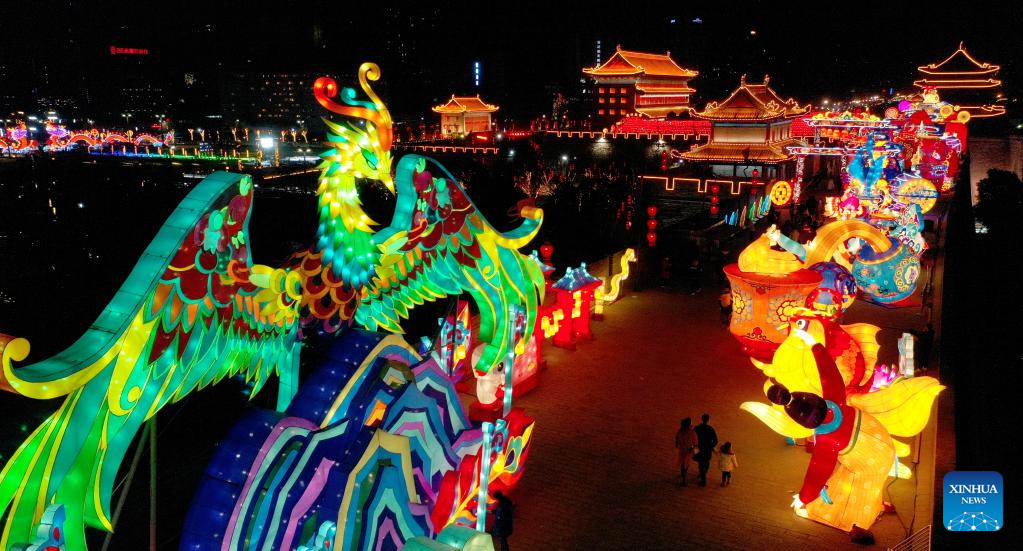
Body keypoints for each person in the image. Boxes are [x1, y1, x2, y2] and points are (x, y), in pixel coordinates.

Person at [693, 414, 718, 486]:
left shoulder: (697, 428)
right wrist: (710, 446)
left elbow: (693, 438)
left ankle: (703, 479)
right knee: (706, 462)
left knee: (701, 464)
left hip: (699, 449)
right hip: (707, 450)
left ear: (702, 419)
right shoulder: (711, 429)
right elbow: (716, 441)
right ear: (708, 420)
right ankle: (704, 473)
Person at [674, 418, 697, 486]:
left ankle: (682, 474)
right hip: (688, 451)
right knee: (686, 465)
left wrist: (677, 445)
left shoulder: (680, 431)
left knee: (682, 463)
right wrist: (694, 449)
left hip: (682, 450)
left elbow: (677, 438)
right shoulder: (692, 432)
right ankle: (684, 480)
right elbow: (695, 442)